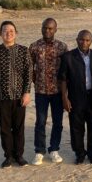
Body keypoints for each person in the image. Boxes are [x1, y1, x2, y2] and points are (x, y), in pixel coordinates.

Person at [0, 21, 33, 168]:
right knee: (5, 128)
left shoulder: (24, 51)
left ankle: (19, 156)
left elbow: (29, 73)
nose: (8, 33)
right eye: (5, 31)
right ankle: (8, 156)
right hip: (0, 97)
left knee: (19, 128)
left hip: (19, 96)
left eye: (11, 31)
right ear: (0, 34)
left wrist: (26, 93)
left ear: (16, 33)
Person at [59, 30, 92, 164]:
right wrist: (65, 98)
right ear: (77, 40)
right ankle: (79, 153)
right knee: (76, 126)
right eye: (81, 39)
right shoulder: (68, 57)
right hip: (76, 97)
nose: (84, 42)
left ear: (91, 41)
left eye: (87, 40)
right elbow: (63, 80)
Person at [29, 17, 68, 166]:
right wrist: (35, 79)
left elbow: (66, 71)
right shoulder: (34, 47)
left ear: (55, 30)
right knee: (40, 122)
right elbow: (29, 67)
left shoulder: (62, 47)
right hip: (41, 91)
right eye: (45, 28)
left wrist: (66, 93)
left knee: (57, 122)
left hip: (58, 92)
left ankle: (54, 149)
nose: (47, 31)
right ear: (41, 28)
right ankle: (39, 151)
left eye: (50, 28)